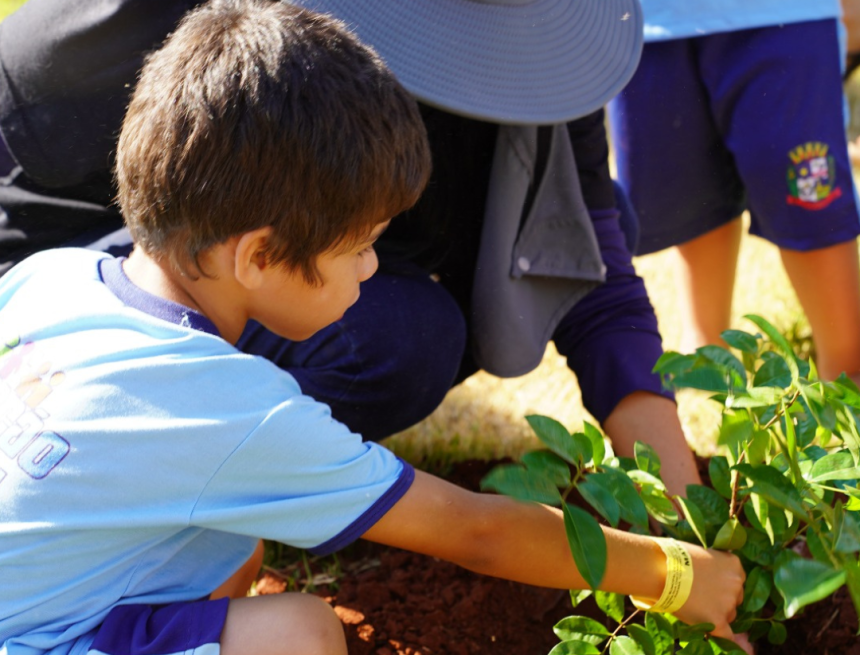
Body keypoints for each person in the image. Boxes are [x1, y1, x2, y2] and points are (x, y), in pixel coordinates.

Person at [0, 2, 749, 655]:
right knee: (302, 632)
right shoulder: (240, 414)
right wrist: (676, 573)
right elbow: (476, 531)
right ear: (259, 255)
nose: (372, 268)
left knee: (230, 534)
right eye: (361, 246)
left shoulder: (54, 278)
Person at [608, 0, 860, 382]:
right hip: (648, 20)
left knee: (810, 199)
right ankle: (707, 353)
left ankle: (846, 372)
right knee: (690, 193)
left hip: (784, 13)